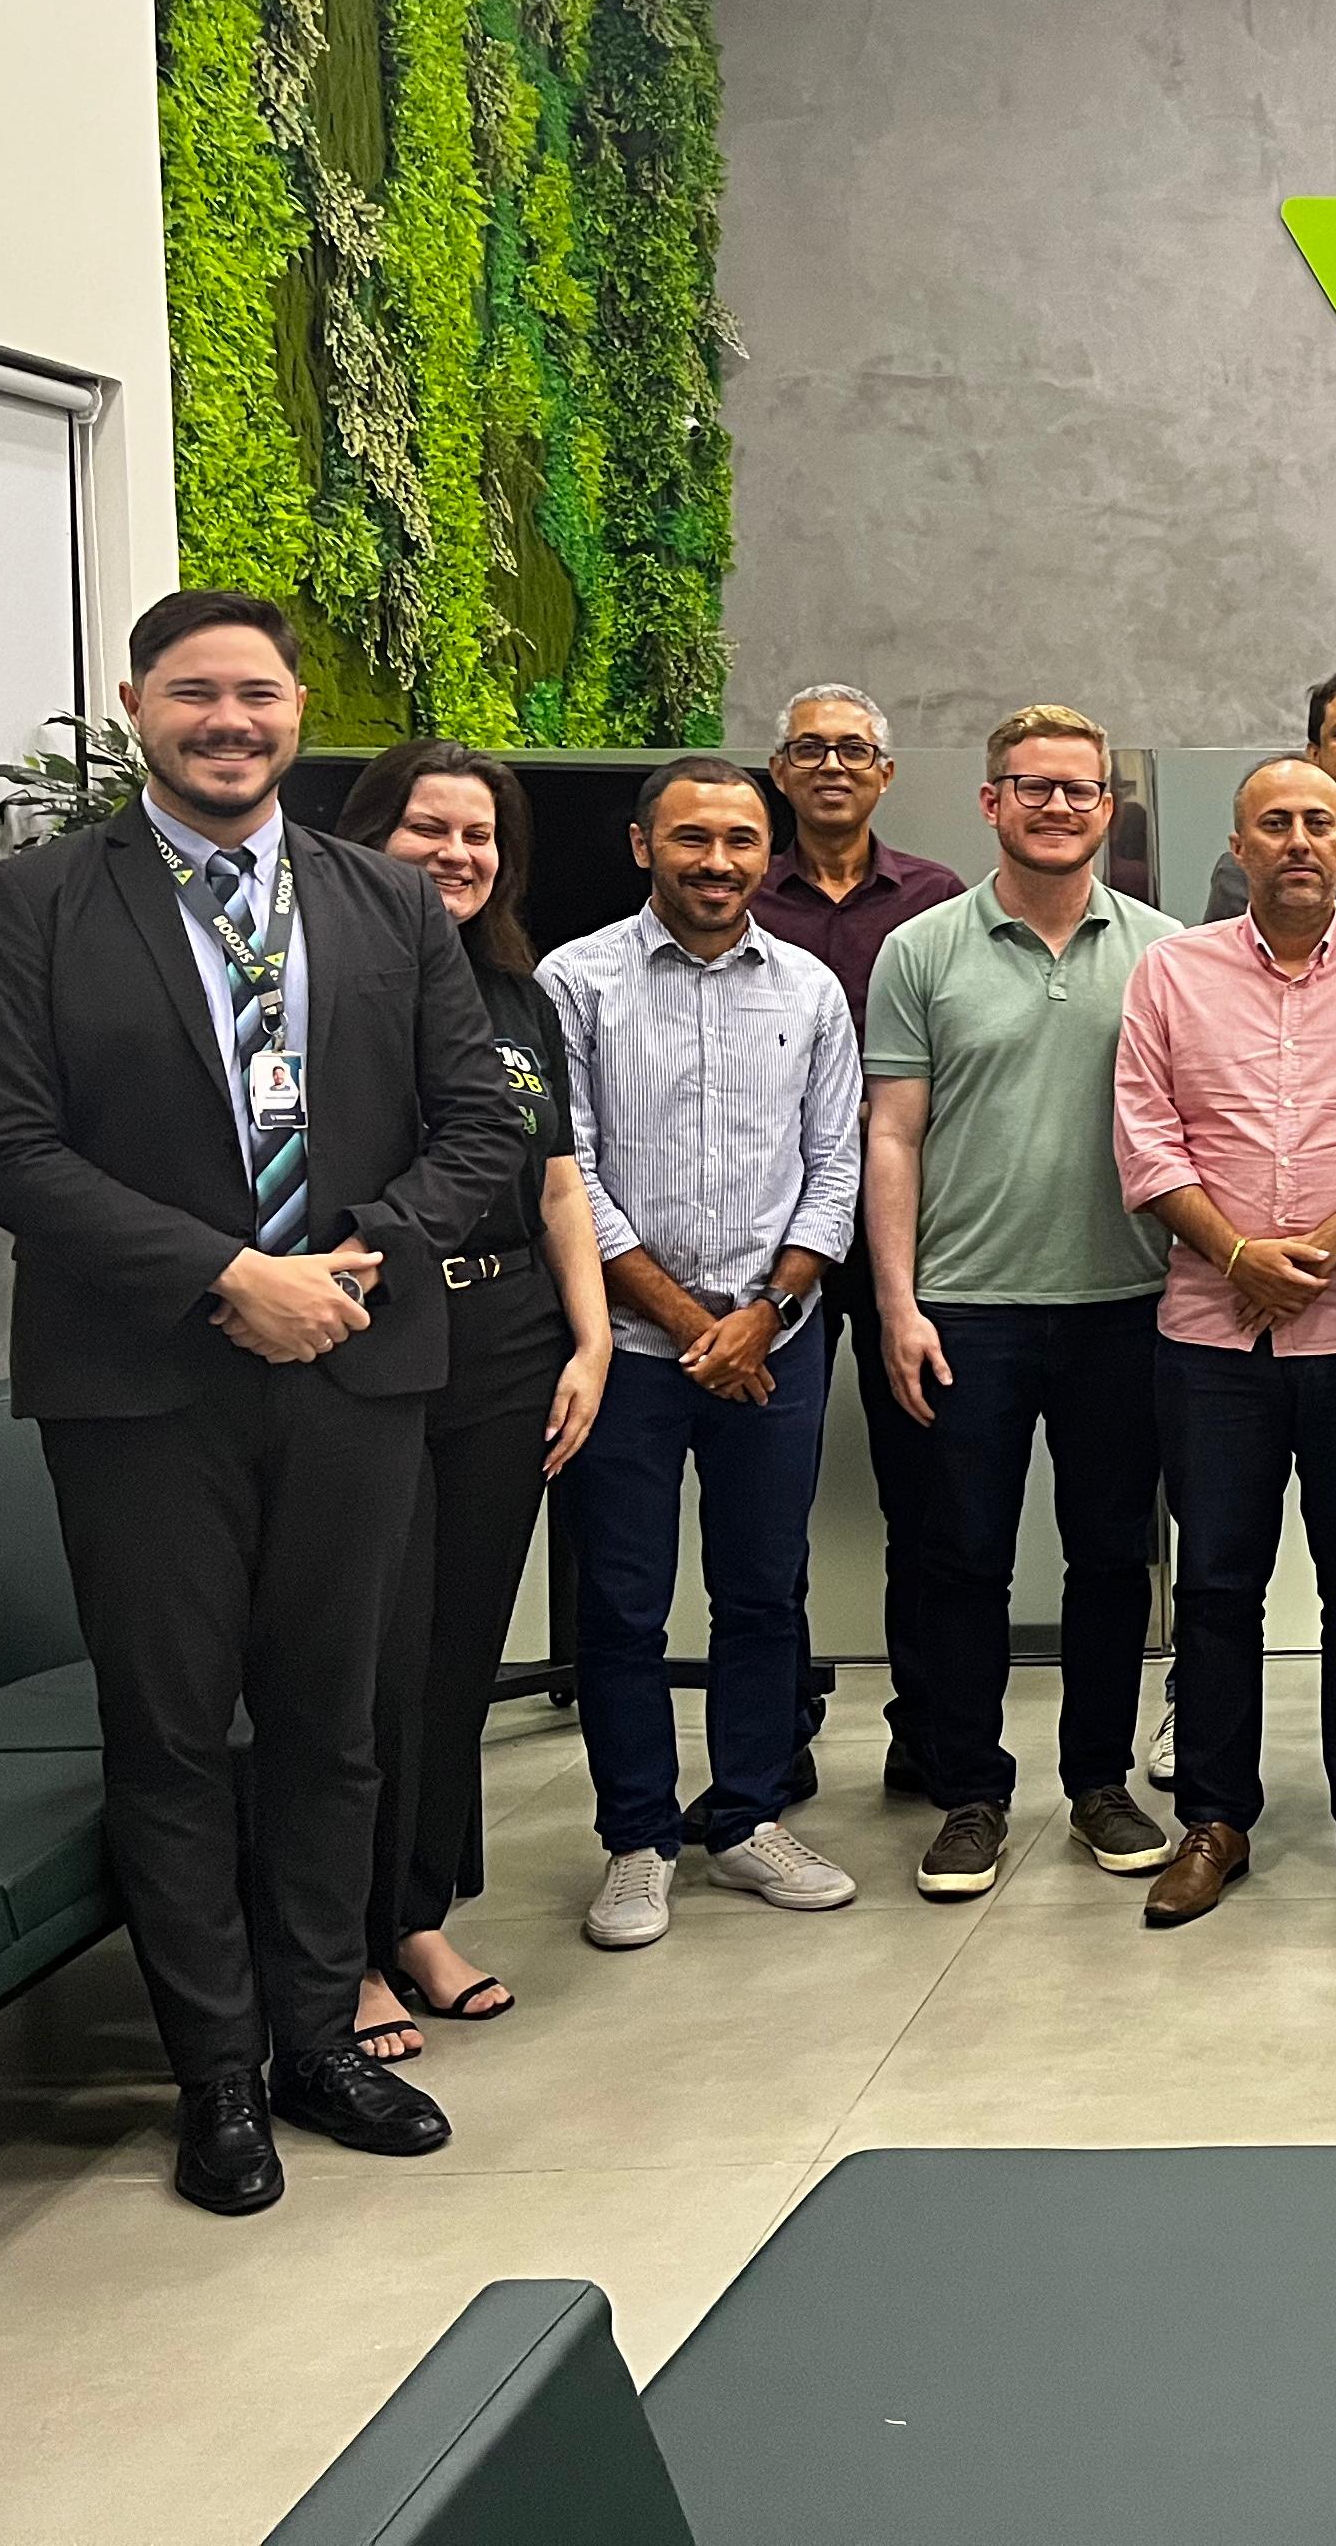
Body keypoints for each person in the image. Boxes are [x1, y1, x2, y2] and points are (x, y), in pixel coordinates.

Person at [0, 591, 526, 2215]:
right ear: (138, 704)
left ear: (294, 711)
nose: (229, 718)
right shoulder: (37, 903)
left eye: (257, 692)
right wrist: (224, 1275)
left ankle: (318, 2039)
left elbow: (478, 1122)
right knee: (176, 1729)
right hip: (141, 1384)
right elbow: (5, 1148)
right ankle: (215, 2073)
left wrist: (355, 1260)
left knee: (335, 1721)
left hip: (354, 1363)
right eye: (194, 690)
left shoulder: (386, 901)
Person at [1121, 754, 1336, 1927]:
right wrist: (1238, 1256)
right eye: (1274, 822)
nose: (1299, 841)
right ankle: (1214, 1819)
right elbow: (1146, 1141)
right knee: (1218, 1583)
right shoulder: (1172, 972)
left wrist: (1308, 1254)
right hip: (1210, 1343)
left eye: (1319, 822)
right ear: (1239, 846)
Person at [540, 757, 867, 1951]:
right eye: (692, 838)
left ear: (766, 854)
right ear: (644, 846)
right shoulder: (575, 982)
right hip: (627, 1352)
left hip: (774, 1343)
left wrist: (765, 1312)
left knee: (763, 1593)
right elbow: (568, 1175)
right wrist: (695, 1328)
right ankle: (638, 1838)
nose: (718, 862)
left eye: (740, 840)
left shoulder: (811, 988)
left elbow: (835, 1166)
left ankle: (746, 1817)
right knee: (623, 1603)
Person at [861, 706, 1187, 1903]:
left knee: (1109, 1560)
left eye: (1079, 789)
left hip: (1126, 1302)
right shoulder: (921, 951)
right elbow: (892, 1137)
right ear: (990, 801)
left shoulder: (1167, 952)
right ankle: (969, 1794)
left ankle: (1099, 1780)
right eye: (1032, 786)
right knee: (960, 1561)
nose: (1057, 806)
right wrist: (897, 1305)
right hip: (965, 1310)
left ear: (1108, 807)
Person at [332, 743, 614, 2061]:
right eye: (427, 828)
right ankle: (342, 1945)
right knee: (371, 1652)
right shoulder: (326, 988)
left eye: (481, 833)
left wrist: (590, 1337)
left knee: (457, 1651)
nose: (458, 854)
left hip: (508, 1333)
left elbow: (557, 1180)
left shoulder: (516, 995)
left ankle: (418, 1916)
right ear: (366, 837)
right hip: (373, 1327)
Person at [749, 685, 966, 1797]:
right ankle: (774, 1733)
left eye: (854, 750)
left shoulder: (938, 902)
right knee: (767, 1502)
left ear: (886, 772)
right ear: (779, 770)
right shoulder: (737, 889)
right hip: (764, 1236)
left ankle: (926, 1731)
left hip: (900, 1237)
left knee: (923, 1495)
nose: (832, 766)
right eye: (810, 749)